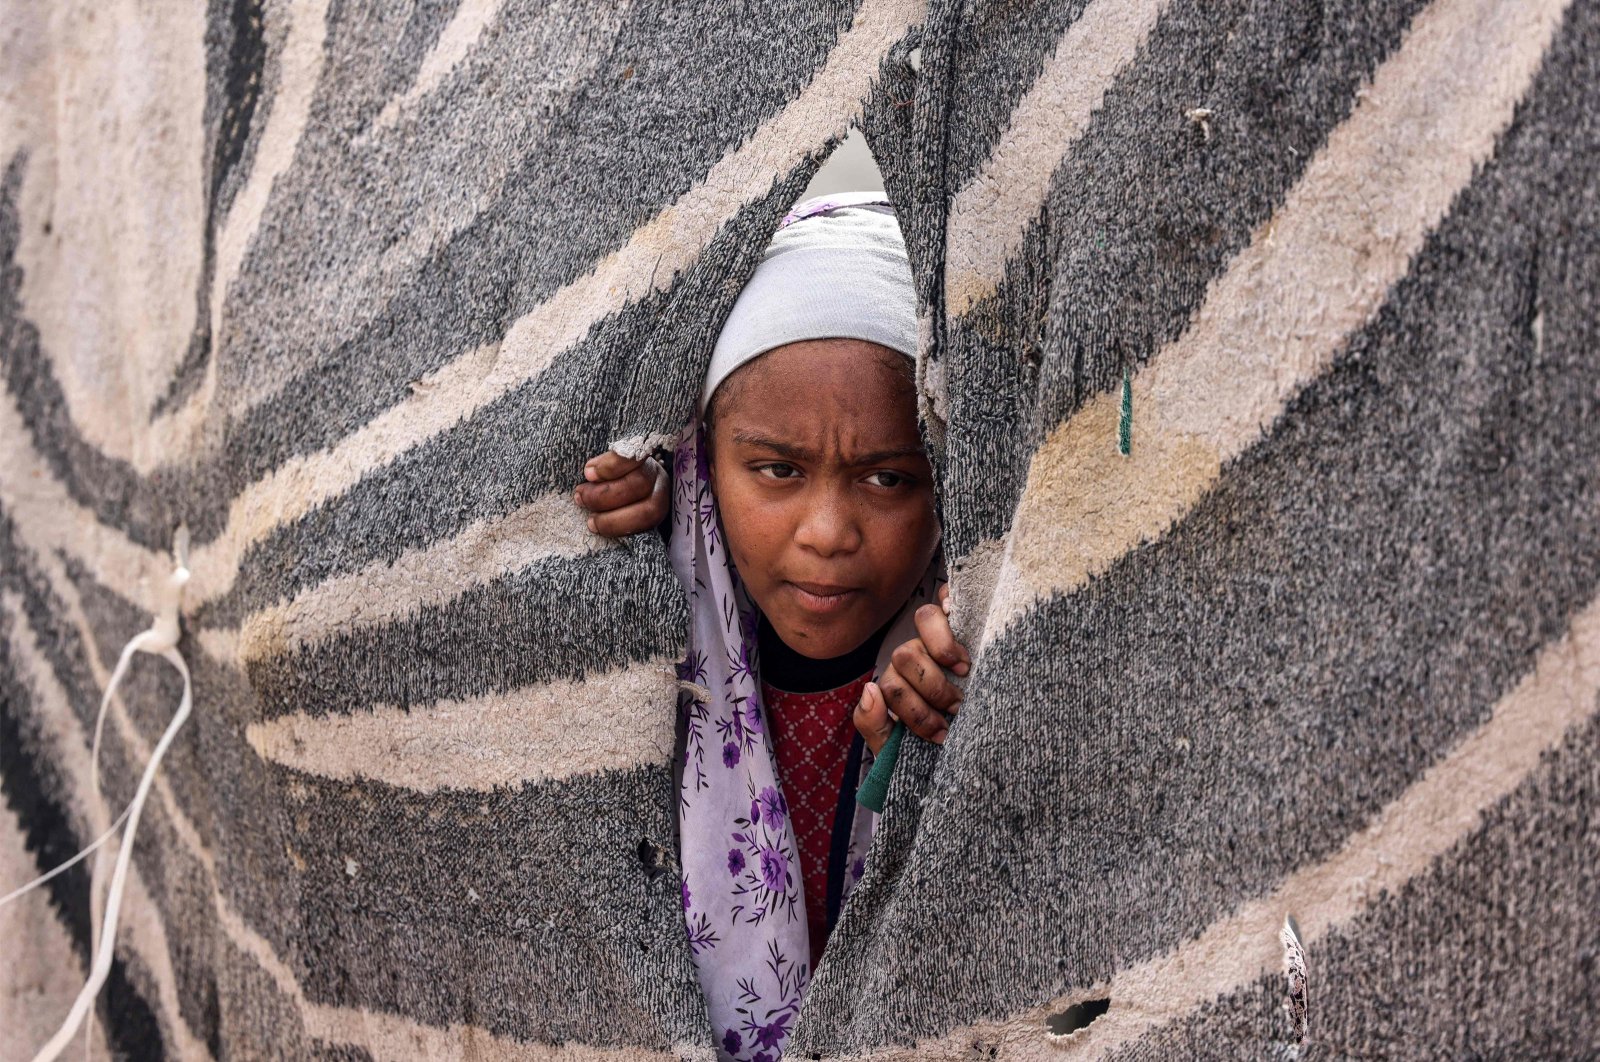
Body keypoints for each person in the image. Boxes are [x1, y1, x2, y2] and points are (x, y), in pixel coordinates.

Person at [574, 195, 968, 1062]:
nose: (827, 531)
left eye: (889, 480)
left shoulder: (958, 658)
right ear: (703, 461)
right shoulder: (668, 625)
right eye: (777, 470)